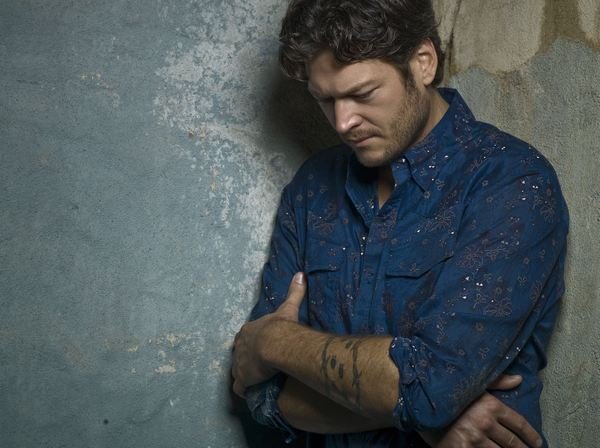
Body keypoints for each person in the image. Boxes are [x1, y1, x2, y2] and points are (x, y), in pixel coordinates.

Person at [231, 0, 569, 446]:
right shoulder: (312, 189)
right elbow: (261, 393)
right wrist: (423, 410)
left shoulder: (511, 182)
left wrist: (275, 342)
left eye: (363, 93)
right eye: (325, 99)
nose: (343, 122)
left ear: (423, 62)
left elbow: (429, 388)